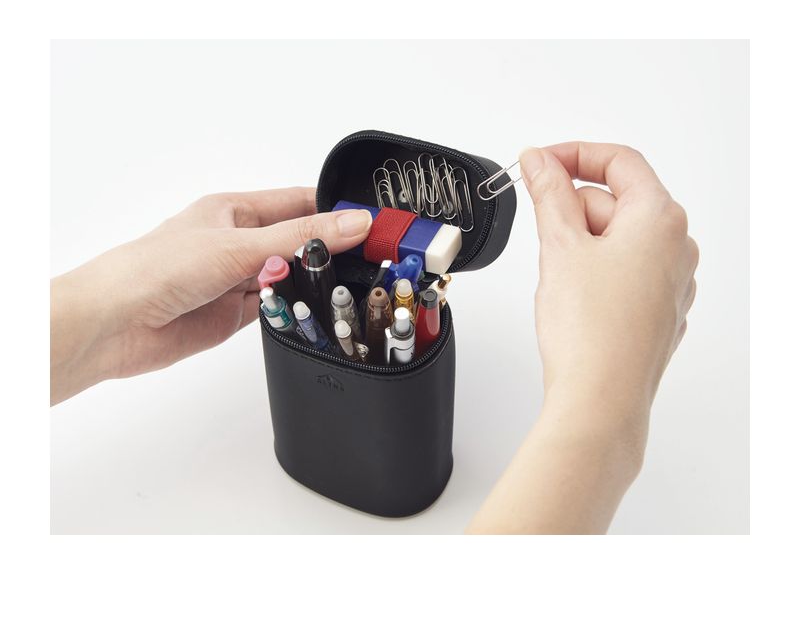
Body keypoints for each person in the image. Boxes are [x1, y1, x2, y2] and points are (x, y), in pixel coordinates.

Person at [50, 141, 698, 534]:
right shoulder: (325, 286)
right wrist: (607, 401)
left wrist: (100, 315)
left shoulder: (407, 286)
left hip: (401, 479)